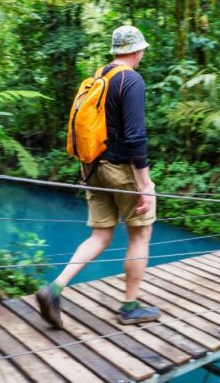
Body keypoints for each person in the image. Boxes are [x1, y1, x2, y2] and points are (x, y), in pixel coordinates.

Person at [36, 25, 160, 328]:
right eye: (142, 49)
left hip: (92, 168)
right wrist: (145, 184)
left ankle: (55, 288)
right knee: (140, 233)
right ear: (136, 50)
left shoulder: (99, 77)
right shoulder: (131, 80)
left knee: (101, 235)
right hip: (121, 171)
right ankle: (129, 307)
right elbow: (135, 136)